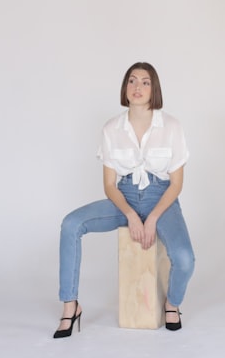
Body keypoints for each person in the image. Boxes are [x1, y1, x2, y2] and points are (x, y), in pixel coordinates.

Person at [54, 62, 195, 338]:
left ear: (154, 88)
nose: (138, 87)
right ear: (125, 88)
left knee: (185, 259)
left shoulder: (171, 126)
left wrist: (152, 217)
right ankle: (70, 306)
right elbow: (109, 185)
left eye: (145, 82)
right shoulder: (111, 129)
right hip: (124, 197)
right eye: (132, 81)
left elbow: (176, 184)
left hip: (161, 198)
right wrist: (131, 214)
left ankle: (172, 303)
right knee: (71, 224)